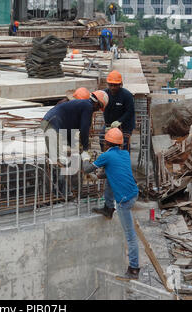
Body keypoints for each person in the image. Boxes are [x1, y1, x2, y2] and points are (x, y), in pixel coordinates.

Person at [83, 128, 140, 280]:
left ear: (107, 142)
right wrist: (99, 175)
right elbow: (113, 171)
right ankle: (108, 208)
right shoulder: (125, 154)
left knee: (130, 236)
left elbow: (87, 169)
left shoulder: (107, 155)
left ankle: (134, 268)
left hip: (124, 200)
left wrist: (82, 157)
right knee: (110, 179)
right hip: (134, 192)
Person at [41, 90, 109, 164]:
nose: (97, 110)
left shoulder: (80, 107)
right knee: (57, 160)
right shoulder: (88, 106)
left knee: (58, 159)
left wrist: (74, 148)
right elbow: (84, 129)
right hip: (52, 124)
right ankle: (56, 173)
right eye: (99, 107)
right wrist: (85, 149)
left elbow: (70, 131)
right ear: (96, 103)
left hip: (49, 123)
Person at [100, 70, 135, 153]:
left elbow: (130, 112)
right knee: (102, 138)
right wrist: (108, 125)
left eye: (115, 85)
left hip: (125, 124)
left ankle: (124, 161)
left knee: (124, 142)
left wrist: (120, 121)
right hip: (110, 124)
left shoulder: (127, 95)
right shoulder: (105, 94)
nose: (113, 87)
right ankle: (106, 157)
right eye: (111, 85)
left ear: (120, 84)